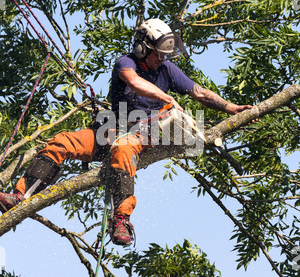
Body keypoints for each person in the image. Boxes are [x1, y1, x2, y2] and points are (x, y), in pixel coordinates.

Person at [0, 18, 252, 246]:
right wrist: (166, 97)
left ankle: (121, 219)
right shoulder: (126, 62)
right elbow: (133, 82)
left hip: (141, 136)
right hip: (108, 131)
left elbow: (199, 93)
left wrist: (232, 108)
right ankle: (20, 196)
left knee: (124, 148)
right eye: (158, 54)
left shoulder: (168, 70)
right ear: (142, 48)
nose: (162, 59)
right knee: (61, 142)